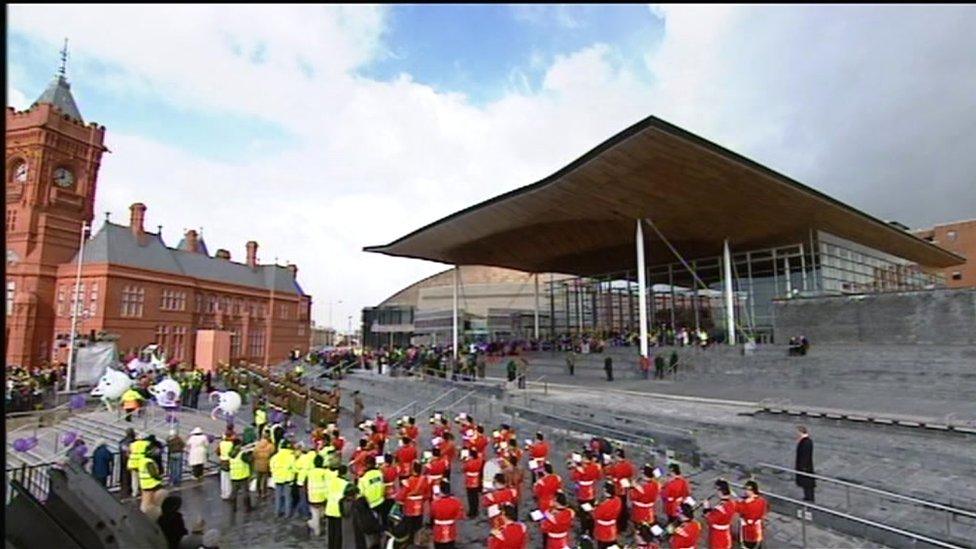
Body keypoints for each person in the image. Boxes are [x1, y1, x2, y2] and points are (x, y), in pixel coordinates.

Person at [430, 480, 465, 549]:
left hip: (438, 530)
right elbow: (460, 515)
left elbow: (432, 515)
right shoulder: (455, 502)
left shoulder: (435, 503)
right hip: (451, 528)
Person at [703, 479, 736, 549]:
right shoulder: (732, 503)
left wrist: (706, 508)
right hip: (726, 534)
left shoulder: (720, 507)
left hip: (717, 537)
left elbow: (709, 520)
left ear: (720, 491)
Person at [735, 480, 768, 549]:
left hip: (747, 530)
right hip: (758, 528)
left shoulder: (745, 504)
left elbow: (737, 508)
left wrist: (739, 501)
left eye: (747, 490)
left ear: (751, 491)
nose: (745, 492)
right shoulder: (762, 501)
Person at [324, 464, 350, 549]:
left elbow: (326, 494)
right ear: (345, 473)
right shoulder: (346, 484)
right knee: (338, 533)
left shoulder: (331, 481)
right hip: (339, 510)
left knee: (331, 532)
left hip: (330, 508)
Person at [305, 454, 331, 537]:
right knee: (322, 513)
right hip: (323, 496)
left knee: (315, 514)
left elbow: (305, 485)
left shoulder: (309, 472)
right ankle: (318, 527)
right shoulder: (326, 472)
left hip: (312, 497)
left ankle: (315, 528)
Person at [270, 439, 297, 518]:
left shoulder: (275, 457)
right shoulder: (291, 457)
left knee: (278, 496)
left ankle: (277, 512)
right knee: (288, 497)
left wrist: (274, 473)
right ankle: (287, 514)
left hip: (277, 478)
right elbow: (294, 468)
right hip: (287, 478)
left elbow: (271, 466)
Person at [227, 439, 253, 515]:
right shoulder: (242, 454)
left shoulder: (230, 454)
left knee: (234, 492)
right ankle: (247, 507)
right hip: (243, 475)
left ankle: (233, 508)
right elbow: (249, 460)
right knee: (245, 492)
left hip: (234, 475)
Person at [461, 448, 485, 518]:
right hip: (476, 479)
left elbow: (464, 469)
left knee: (470, 497)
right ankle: (476, 510)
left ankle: (472, 512)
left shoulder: (469, 462)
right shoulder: (479, 460)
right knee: (476, 496)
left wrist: (465, 461)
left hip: (469, 481)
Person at [795, 425, 815, 502]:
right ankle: (807, 496)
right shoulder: (806, 441)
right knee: (806, 483)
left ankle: (809, 498)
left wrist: (803, 467)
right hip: (805, 466)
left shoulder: (806, 442)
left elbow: (805, 455)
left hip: (805, 467)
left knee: (807, 483)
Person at [252, 433, 275, 499]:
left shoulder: (257, 445)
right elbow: (273, 452)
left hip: (258, 464)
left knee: (258, 479)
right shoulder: (270, 446)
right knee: (265, 479)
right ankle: (264, 493)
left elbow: (254, 454)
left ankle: (258, 492)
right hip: (266, 464)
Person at [119, 428, 136, 498]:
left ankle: (126, 488)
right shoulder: (134, 441)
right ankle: (131, 489)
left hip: (125, 460)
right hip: (133, 461)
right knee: (131, 476)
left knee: (126, 475)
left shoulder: (123, 441)